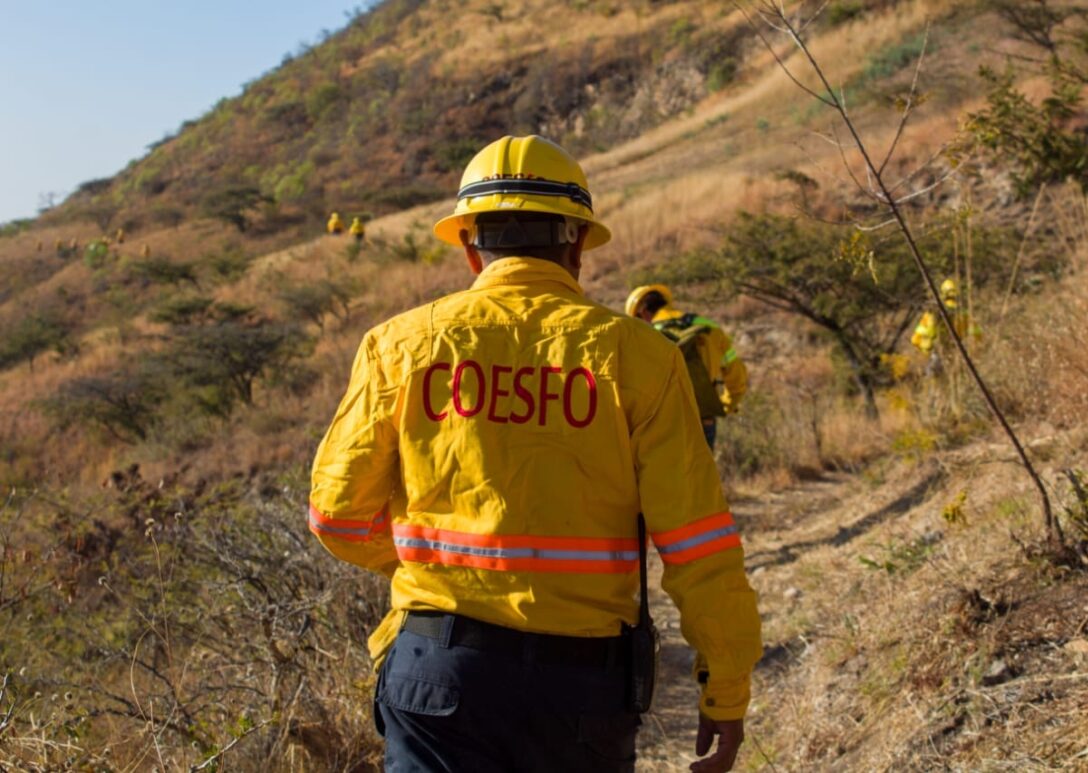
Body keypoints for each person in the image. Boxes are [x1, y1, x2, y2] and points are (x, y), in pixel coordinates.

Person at [309, 135, 762, 773]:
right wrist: (726, 685)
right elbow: (697, 545)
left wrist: (434, 574)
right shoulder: (639, 358)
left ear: (469, 245)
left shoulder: (399, 346)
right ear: (576, 243)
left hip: (437, 673)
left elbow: (335, 516)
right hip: (579, 691)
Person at [624, 285, 748, 450]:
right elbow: (737, 376)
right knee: (703, 475)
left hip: (663, 426)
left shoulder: (645, 337)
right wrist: (726, 405)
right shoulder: (710, 328)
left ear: (643, 312)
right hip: (703, 420)